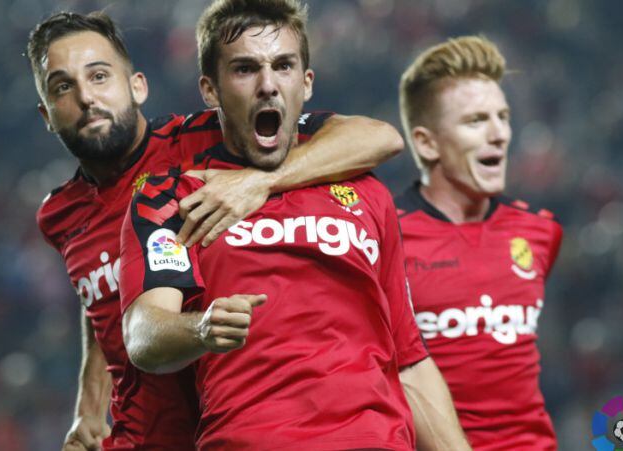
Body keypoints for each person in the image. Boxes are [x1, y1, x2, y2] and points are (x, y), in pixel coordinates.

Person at [27, 10, 405, 450]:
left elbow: (376, 137)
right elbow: (104, 302)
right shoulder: (59, 214)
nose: (87, 98)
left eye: (98, 76)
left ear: (137, 86)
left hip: (222, 424)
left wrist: (259, 180)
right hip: (139, 436)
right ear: (46, 114)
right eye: (63, 87)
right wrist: (88, 411)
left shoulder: (200, 140)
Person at [119, 1, 470, 450]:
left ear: (306, 84)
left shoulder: (364, 191)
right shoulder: (172, 196)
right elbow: (144, 335)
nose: (268, 85)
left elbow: (408, 358)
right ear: (211, 89)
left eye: (283, 66)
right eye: (245, 69)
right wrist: (200, 329)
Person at [396, 35, 562, 450]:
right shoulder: (384, 237)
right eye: (476, 121)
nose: (500, 134)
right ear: (426, 143)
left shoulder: (540, 231)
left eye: (502, 116)